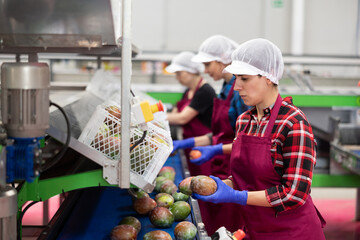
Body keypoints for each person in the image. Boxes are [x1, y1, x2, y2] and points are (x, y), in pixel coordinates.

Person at [193, 38, 326, 239]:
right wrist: (217, 186)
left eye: (244, 79)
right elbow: (242, 180)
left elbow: (294, 194)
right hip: (257, 230)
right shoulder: (244, 121)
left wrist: (237, 196)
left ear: (268, 77)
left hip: (293, 232)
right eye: (236, 78)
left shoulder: (293, 124)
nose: (236, 86)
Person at [172, 35, 249, 235]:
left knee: (229, 223)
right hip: (220, 163)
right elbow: (218, 134)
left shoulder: (239, 93)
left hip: (234, 166)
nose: (205, 70)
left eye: (208, 64)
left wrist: (214, 148)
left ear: (223, 60)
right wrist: (188, 143)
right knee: (214, 223)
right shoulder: (225, 89)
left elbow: (246, 142)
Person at [166, 51, 216, 176]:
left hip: (204, 147)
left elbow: (182, 118)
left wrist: (155, 117)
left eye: (179, 73)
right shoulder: (188, 91)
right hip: (190, 145)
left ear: (192, 71)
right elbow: (176, 113)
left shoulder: (205, 91)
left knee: (204, 182)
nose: (177, 77)